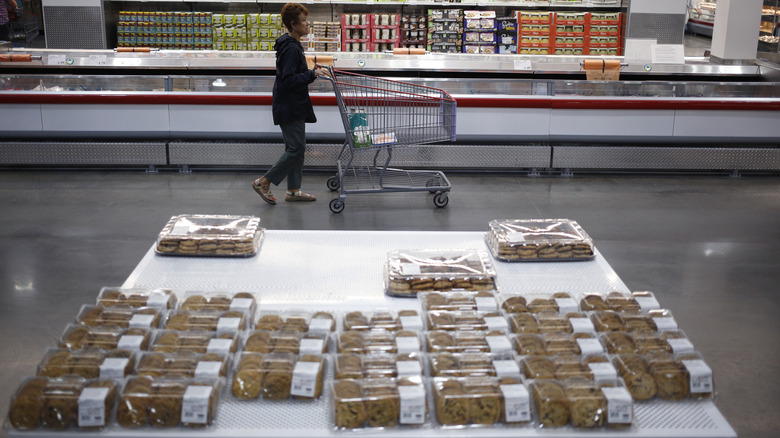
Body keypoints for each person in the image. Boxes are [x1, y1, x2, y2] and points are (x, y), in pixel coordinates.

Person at [252, 2, 329, 205]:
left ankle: (294, 190)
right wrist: (312, 74)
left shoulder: (291, 45)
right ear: (293, 24)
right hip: (290, 105)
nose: (307, 23)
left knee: (297, 148)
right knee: (296, 149)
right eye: (303, 20)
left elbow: (292, 74)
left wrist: (310, 71)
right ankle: (263, 182)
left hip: (292, 103)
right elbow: (288, 80)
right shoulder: (291, 48)